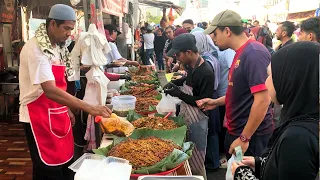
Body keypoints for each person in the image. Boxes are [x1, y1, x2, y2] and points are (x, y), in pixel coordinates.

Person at [19, 4, 112, 180]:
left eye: (72, 29)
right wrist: (89, 108)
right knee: (47, 170)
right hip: (37, 115)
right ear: (52, 24)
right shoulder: (36, 49)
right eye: (66, 28)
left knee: (66, 167)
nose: (70, 33)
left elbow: (59, 84)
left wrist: (67, 108)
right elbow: (50, 90)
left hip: (57, 113)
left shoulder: (57, 46)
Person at [232, 41, 319, 180]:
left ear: (290, 80)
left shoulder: (298, 138)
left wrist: (242, 174)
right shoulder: (308, 119)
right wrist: (262, 164)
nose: (266, 82)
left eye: (271, 76)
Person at [200, 10, 273, 159]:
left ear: (227, 31)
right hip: (237, 132)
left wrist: (245, 138)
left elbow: (263, 100)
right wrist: (216, 102)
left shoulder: (254, 53)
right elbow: (239, 92)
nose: (212, 39)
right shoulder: (240, 52)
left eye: (214, 34)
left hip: (252, 136)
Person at [163, 33, 214, 177]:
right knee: (186, 154)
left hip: (198, 119)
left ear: (189, 52)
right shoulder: (191, 66)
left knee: (197, 158)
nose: (177, 58)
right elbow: (187, 82)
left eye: (178, 55)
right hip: (186, 115)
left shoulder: (206, 72)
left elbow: (203, 102)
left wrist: (179, 94)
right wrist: (175, 83)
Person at [192, 31, 221, 171]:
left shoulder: (206, 61)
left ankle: (213, 162)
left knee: (210, 132)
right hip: (213, 96)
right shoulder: (211, 56)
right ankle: (213, 161)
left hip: (210, 97)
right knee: (212, 132)